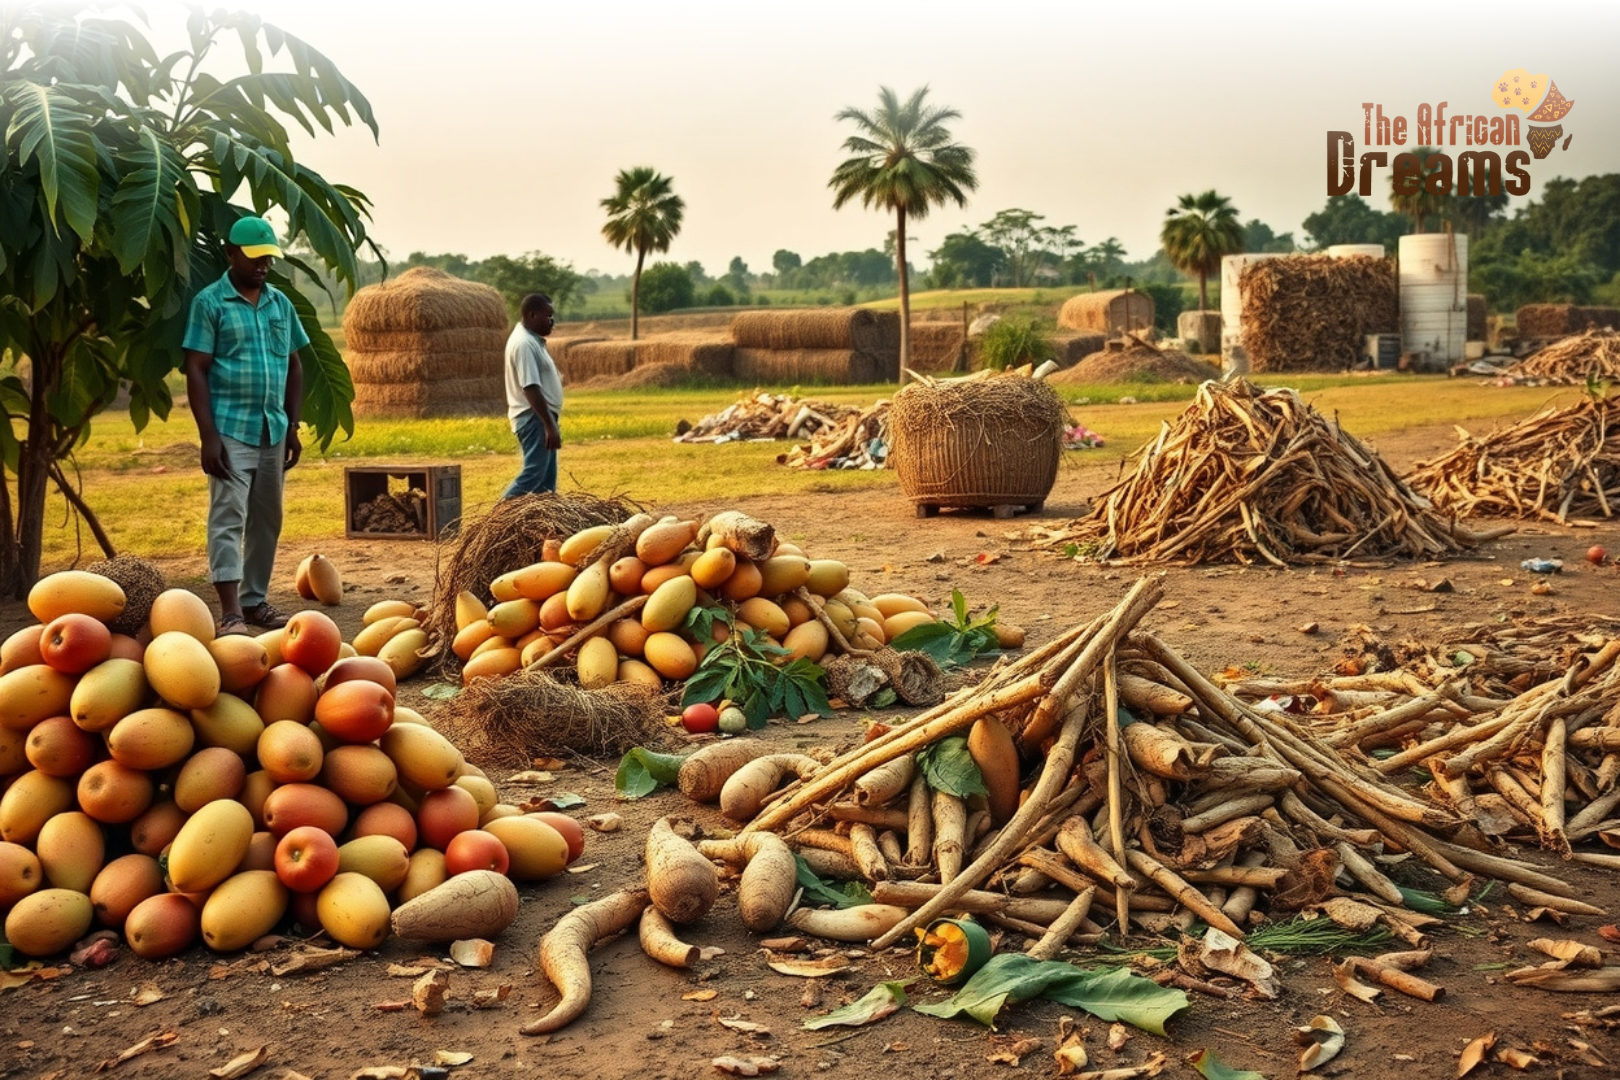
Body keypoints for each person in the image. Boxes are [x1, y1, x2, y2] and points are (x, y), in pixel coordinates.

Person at [182, 215, 308, 635]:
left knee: (267, 518)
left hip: (272, 429)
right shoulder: (210, 303)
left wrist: (292, 426)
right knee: (228, 517)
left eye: (268, 259)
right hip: (230, 430)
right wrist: (208, 436)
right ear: (230, 253)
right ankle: (231, 610)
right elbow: (196, 369)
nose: (262, 267)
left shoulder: (280, 304)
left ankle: (255, 601)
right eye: (254, 259)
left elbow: (294, 365)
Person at [502, 292, 564, 499]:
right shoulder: (524, 344)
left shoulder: (532, 341)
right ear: (532, 315)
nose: (552, 322)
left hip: (541, 418)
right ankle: (494, 522)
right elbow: (530, 387)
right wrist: (548, 424)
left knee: (545, 485)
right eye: (548, 316)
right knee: (533, 476)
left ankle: (540, 528)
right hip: (534, 418)